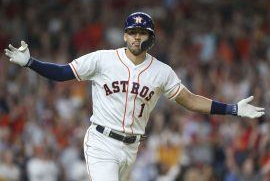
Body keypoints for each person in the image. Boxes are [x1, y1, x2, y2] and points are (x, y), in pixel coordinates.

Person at [4, 12, 265, 181]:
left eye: (142, 32)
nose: (136, 36)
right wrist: (31, 63)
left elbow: (189, 100)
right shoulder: (103, 59)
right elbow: (63, 73)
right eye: (131, 32)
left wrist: (232, 109)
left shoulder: (162, 71)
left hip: (132, 147)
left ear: (151, 37)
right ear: (124, 34)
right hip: (101, 141)